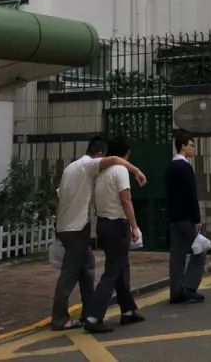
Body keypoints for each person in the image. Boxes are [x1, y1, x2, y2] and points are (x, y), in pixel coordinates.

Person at [51, 136, 147, 331]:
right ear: (100, 154)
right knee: (71, 274)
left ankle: (116, 310)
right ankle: (69, 319)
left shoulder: (71, 168)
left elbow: (60, 197)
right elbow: (115, 163)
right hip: (77, 228)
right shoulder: (89, 165)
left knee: (89, 266)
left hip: (68, 226)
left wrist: (58, 224)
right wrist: (136, 170)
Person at [84, 137, 144, 334]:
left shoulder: (102, 172)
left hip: (103, 224)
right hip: (117, 224)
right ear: (126, 154)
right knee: (112, 271)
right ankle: (93, 316)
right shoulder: (120, 170)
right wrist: (134, 226)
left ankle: (128, 311)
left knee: (121, 267)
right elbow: (125, 199)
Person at [166, 135, 206, 304]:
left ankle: (176, 293)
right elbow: (191, 194)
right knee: (201, 247)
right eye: (191, 145)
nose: (193, 149)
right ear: (183, 147)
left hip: (174, 218)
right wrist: (197, 218)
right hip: (187, 219)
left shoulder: (170, 167)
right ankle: (190, 287)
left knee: (177, 255)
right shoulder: (185, 167)